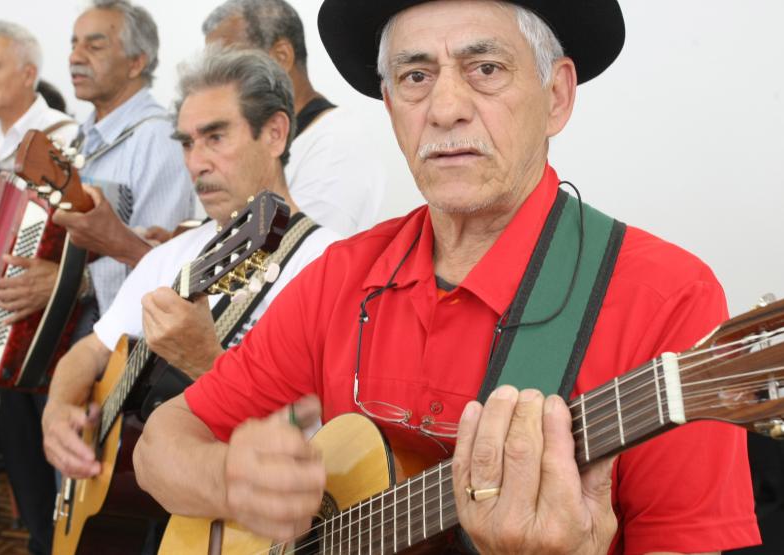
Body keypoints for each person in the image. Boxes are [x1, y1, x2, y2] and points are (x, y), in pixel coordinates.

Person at [132, 1, 760, 554]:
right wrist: (235, 485)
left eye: (486, 69)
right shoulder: (342, 276)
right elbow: (161, 443)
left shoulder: (669, 298)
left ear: (558, 96)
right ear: (390, 106)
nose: (445, 109)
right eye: (415, 77)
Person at [41, 46, 338, 549]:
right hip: (131, 509)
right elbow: (91, 349)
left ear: (275, 133)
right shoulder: (177, 253)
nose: (196, 162)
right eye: (187, 142)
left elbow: (319, 437)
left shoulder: (331, 266)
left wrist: (205, 359)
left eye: (216, 137)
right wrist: (59, 407)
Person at [0, 21, 78, 555]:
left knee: (54, 454)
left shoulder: (64, 136)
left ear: (29, 74)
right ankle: (40, 540)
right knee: (19, 452)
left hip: (50, 324)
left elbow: (74, 228)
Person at [47, 0, 195, 328]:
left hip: (121, 331)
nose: (75, 56)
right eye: (74, 44)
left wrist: (66, 283)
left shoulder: (157, 136)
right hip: (81, 320)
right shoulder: (84, 135)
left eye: (94, 45)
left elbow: (156, 256)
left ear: (136, 63)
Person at [202, 0, 385, 237]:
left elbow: (292, 254)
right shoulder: (267, 140)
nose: (215, 81)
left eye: (229, 65)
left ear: (281, 56)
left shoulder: (337, 144)